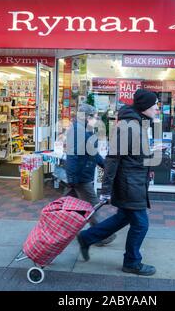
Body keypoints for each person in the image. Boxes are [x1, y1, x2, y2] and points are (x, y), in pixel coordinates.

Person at [76, 89, 159, 276]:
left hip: (134, 182)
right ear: (145, 106)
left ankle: (87, 237)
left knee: (123, 218)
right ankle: (131, 262)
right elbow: (113, 159)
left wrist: (149, 152)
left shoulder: (137, 123)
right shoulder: (130, 126)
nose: (156, 108)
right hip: (129, 184)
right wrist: (106, 189)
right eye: (154, 104)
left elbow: (132, 153)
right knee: (141, 224)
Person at [65, 103, 116, 246]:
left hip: (79, 176)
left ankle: (54, 229)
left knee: (65, 205)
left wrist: (105, 165)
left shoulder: (84, 130)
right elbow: (73, 156)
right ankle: (101, 236)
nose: (96, 119)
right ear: (86, 117)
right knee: (92, 206)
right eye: (94, 116)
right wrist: (73, 178)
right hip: (81, 177)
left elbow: (92, 154)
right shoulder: (77, 131)